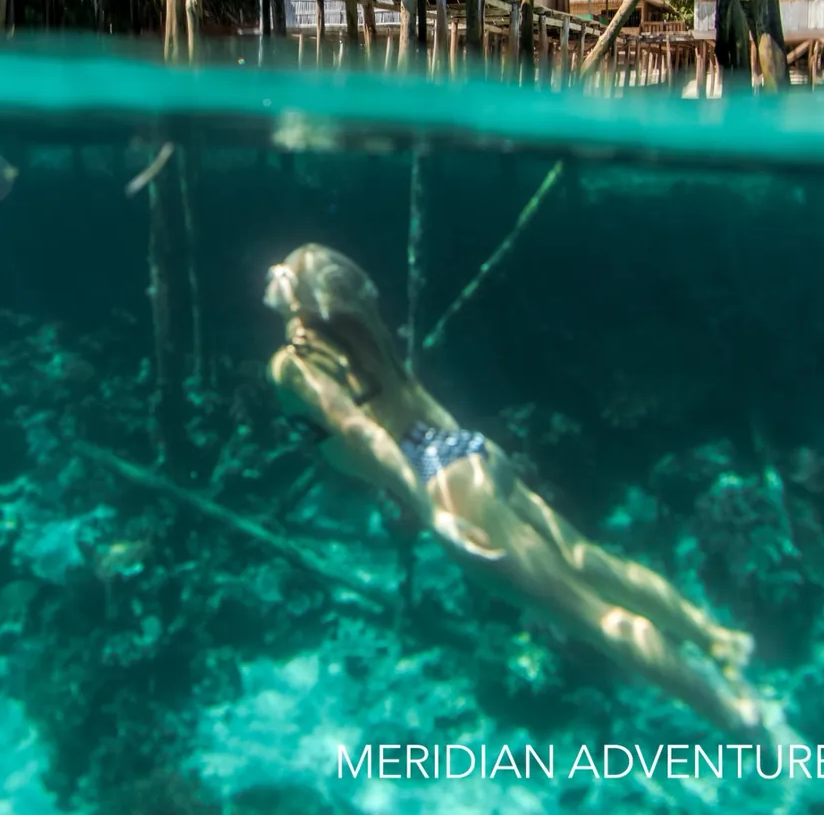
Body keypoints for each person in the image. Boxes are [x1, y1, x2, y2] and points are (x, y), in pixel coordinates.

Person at [263, 242, 769, 734]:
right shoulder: (364, 339)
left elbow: (365, 435)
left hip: (439, 482)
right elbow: (419, 406)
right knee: (588, 559)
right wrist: (462, 455)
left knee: (589, 616)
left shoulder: (293, 363)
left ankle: (734, 716)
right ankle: (717, 640)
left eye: (282, 271)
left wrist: (433, 511)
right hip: (466, 452)